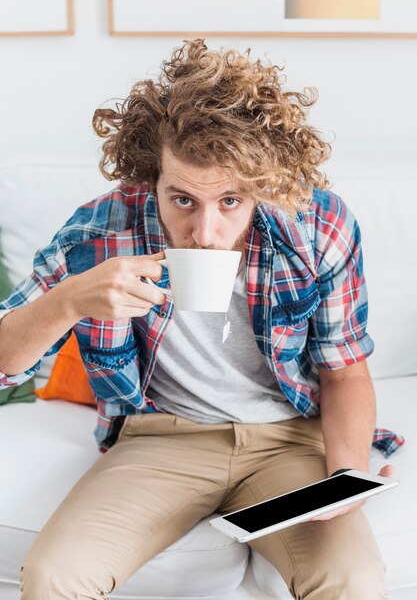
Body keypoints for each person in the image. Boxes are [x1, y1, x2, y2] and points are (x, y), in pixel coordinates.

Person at [0, 38, 403, 599]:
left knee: (352, 579)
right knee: (53, 576)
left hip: (289, 438)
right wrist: (68, 300)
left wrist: (344, 477)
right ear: (151, 177)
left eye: (231, 201)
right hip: (160, 437)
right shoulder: (100, 229)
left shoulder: (318, 225)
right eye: (182, 199)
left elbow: (344, 370)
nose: (206, 234)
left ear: (263, 184)